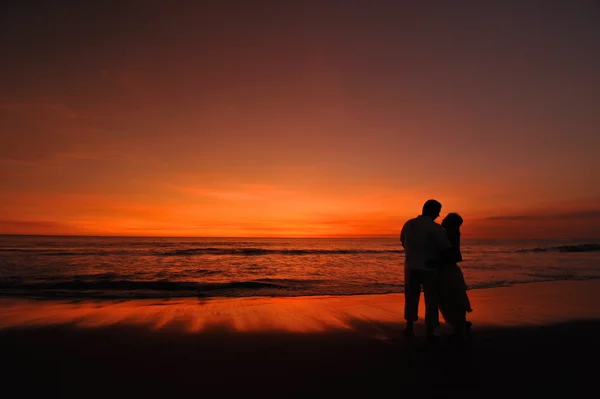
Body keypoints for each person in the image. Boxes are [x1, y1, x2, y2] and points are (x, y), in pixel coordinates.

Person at [400, 199, 452, 340]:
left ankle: (409, 327)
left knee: (411, 297)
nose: (439, 215)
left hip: (411, 266)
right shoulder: (435, 228)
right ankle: (430, 330)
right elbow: (446, 248)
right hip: (429, 268)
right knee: (431, 299)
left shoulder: (409, 224)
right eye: (438, 211)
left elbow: (403, 242)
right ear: (432, 211)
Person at [438, 213, 472, 338]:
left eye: (445, 219)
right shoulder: (451, 233)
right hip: (450, 270)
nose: (442, 220)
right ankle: (460, 325)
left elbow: (454, 255)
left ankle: (460, 327)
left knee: (450, 298)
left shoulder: (449, 233)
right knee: (454, 297)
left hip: (448, 270)